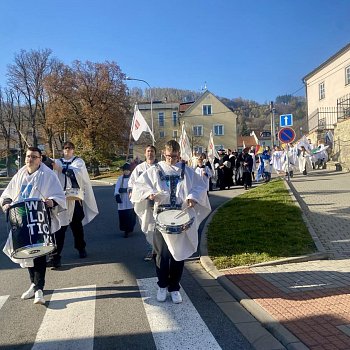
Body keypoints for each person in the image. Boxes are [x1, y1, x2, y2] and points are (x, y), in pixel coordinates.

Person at [131, 140, 211, 304]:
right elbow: (139, 185)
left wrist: (192, 198)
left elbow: (200, 186)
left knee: (178, 254)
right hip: (161, 217)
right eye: (168, 156)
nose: (171, 160)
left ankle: (174, 287)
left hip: (180, 217)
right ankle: (162, 285)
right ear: (164, 154)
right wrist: (150, 194)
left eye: (174, 157)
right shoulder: (155, 170)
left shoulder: (186, 170)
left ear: (178, 155)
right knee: (161, 254)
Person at [1, 147, 66, 305]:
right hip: (22, 218)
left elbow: (58, 195)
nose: (30, 159)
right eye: (28, 156)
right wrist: (6, 203)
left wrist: (52, 201)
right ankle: (33, 284)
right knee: (26, 253)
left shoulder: (47, 175)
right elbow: (7, 194)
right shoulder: (20, 174)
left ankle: (39, 289)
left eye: (34, 157)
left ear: (40, 158)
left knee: (39, 252)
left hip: (39, 218)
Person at [50, 141, 98, 268]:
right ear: (63, 150)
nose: (67, 150)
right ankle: (56, 256)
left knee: (77, 227)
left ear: (73, 150)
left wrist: (60, 169)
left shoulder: (78, 161)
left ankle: (81, 248)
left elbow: (76, 173)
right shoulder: (57, 161)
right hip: (61, 200)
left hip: (75, 199)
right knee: (60, 228)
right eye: (65, 148)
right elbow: (47, 167)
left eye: (70, 148)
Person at [129, 145, 157, 260]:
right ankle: (151, 250)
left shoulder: (160, 167)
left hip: (158, 202)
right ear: (145, 154)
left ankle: (160, 251)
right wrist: (131, 192)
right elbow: (132, 183)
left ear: (155, 153)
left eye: (152, 151)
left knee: (159, 226)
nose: (150, 153)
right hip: (144, 203)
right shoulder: (139, 168)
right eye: (148, 151)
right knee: (148, 227)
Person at [114, 162, 136, 238]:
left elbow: (135, 187)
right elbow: (117, 187)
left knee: (130, 215)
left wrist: (126, 190)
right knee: (123, 215)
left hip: (130, 200)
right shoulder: (120, 178)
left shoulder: (132, 178)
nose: (126, 171)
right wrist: (117, 194)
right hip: (122, 200)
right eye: (125, 170)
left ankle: (130, 228)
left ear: (130, 171)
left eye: (127, 170)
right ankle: (125, 230)